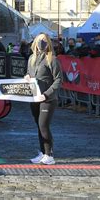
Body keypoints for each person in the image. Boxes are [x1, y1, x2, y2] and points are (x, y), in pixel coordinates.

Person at [24, 33, 62, 165]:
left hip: (48, 99)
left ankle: (49, 154)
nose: (42, 43)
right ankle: (42, 152)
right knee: (39, 126)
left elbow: (58, 80)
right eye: (40, 40)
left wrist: (47, 94)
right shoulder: (31, 58)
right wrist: (27, 77)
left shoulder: (52, 59)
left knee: (43, 125)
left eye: (44, 40)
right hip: (35, 97)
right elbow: (30, 73)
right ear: (35, 42)